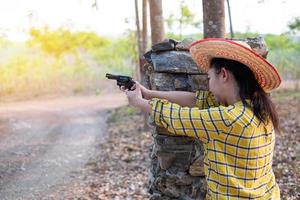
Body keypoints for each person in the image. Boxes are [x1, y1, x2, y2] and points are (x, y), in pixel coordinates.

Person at [122, 38, 281, 199]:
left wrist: (139, 102)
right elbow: (196, 100)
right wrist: (148, 93)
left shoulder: (230, 118)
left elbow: (179, 116)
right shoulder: (256, 108)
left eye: (209, 79)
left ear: (224, 75)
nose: (209, 86)